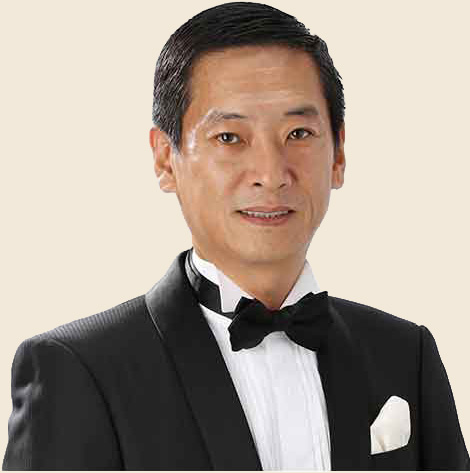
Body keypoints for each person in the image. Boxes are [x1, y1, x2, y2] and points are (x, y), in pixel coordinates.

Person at [3, 2, 469, 470]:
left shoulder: (405, 354)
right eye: (229, 137)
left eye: (299, 132)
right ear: (165, 159)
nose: (271, 174)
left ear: (339, 154)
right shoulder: (79, 369)